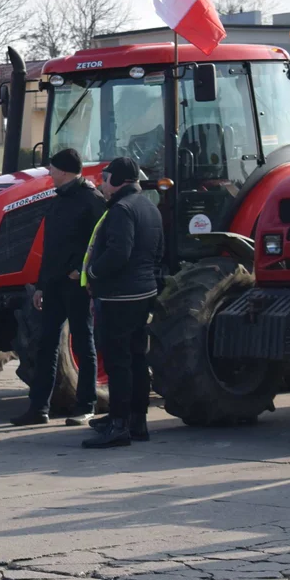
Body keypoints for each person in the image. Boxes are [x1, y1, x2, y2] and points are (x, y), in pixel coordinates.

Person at [11, 149, 105, 427]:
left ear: (64, 171)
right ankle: (39, 408)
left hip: (76, 286)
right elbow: (50, 249)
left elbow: (99, 240)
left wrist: (81, 269)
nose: (49, 174)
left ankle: (86, 405)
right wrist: (40, 286)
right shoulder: (58, 201)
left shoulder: (91, 199)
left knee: (84, 344)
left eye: (52, 169)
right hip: (52, 285)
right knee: (45, 345)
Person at [82, 157, 164, 449]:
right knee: (137, 358)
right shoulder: (149, 206)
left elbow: (118, 253)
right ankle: (136, 421)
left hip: (119, 296)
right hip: (144, 293)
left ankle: (118, 425)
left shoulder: (121, 210)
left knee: (118, 362)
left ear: (119, 181)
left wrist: (93, 272)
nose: (101, 184)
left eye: (105, 178)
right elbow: (158, 252)